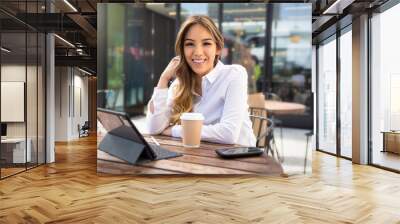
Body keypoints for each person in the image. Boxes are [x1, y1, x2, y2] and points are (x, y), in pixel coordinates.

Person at [146, 15, 256, 146]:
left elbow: (228, 134)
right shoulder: (179, 85)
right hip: (201, 158)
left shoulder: (234, 75)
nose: (198, 52)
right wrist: (163, 80)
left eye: (206, 43)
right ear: (182, 50)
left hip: (241, 161)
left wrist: (175, 130)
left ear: (218, 48)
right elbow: (154, 129)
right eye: (190, 44)